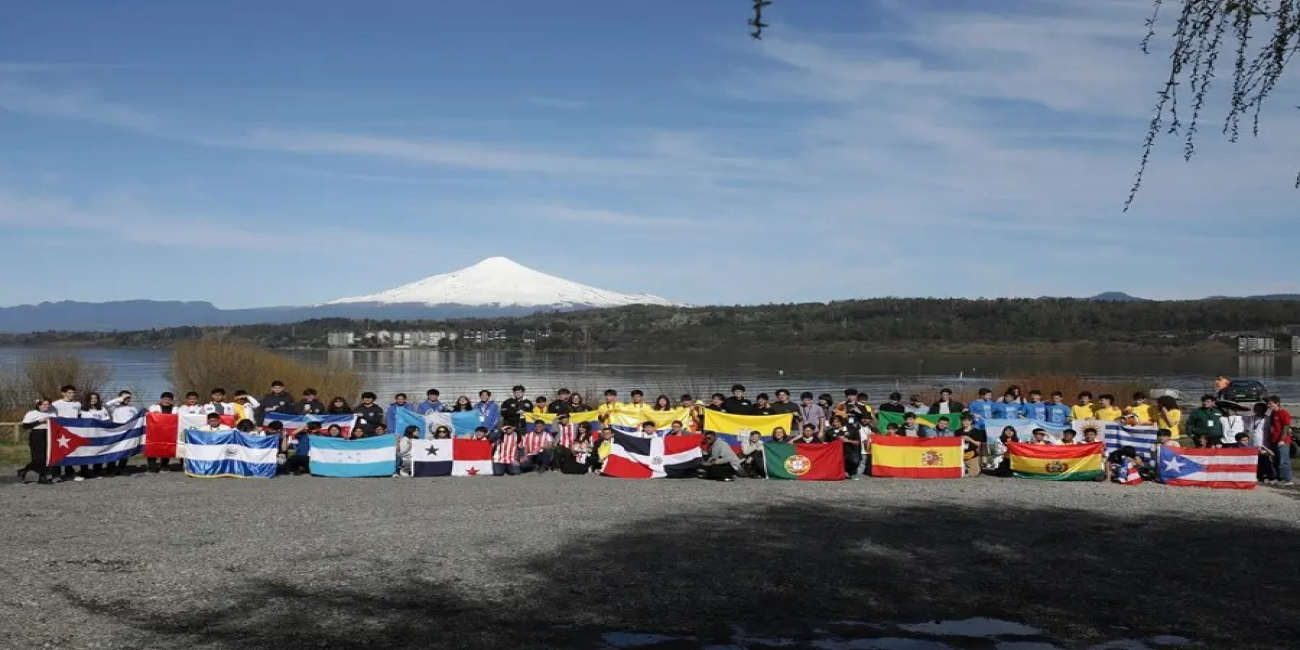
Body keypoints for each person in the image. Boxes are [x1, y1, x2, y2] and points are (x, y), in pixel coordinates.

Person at [19, 398, 54, 484]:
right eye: (44, 405)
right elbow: (25, 426)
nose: (47, 406)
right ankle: (41, 477)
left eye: (48, 404)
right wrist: (40, 421)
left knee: (47, 457)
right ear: (39, 405)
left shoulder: (52, 413)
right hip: (37, 435)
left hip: (49, 435)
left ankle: (26, 471)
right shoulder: (32, 413)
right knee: (39, 458)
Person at [146, 392, 178, 473]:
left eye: (169, 399)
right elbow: (148, 416)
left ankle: (164, 466)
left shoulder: (176, 408)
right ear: (161, 399)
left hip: (169, 432)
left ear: (172, 400)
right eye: (165, 399)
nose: (167, 401)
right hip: (154, 432)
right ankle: (151, 466)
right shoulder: (154, 407)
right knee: (153, 447)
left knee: (167, 447)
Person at [1266, 396, 1293, 485]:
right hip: (1274, 440)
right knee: (1275, 460)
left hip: (1283, 441)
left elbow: (1286, 427)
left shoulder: (1283, 413)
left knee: (1283, 460)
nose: (1268, 405)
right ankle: (1278, 477)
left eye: (1270, 403)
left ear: (1277, 403)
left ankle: (1287, 479)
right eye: (1268, 403)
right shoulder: (1273, 413)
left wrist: (1282, 440)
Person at [1247, 402, 1276, 482]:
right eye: (1256, 408)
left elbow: (1271, 429)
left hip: (1263, 442)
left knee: (1265, 459)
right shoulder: (1251, 418)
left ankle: (1267, 475)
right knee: (1255, 460)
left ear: (1264, 410)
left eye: (1259, 408)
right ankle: (1257, 474)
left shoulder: (1267, 418)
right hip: (1252, 442)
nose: (1257, 410)